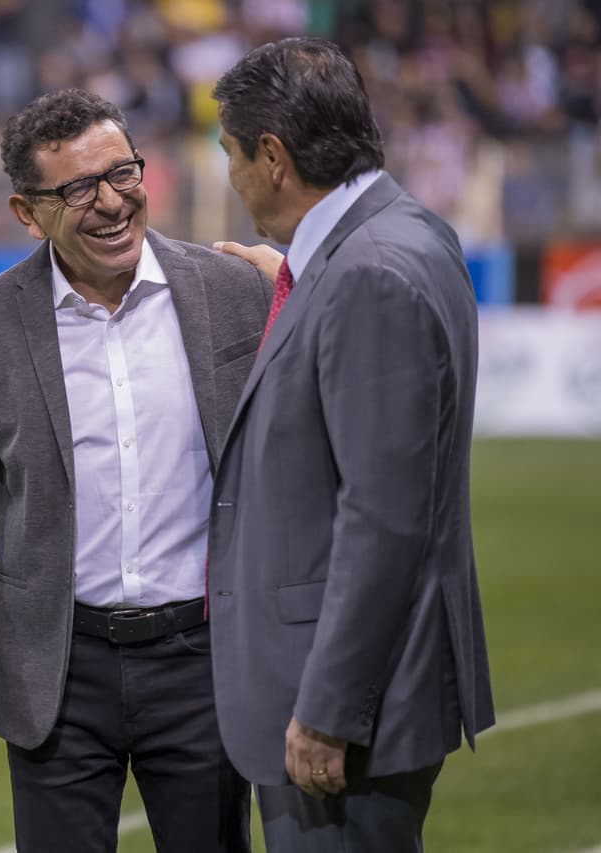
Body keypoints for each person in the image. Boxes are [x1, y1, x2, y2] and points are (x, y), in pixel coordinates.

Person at [0, 88, 270, 852]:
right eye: (79, 188)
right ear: (26, 210)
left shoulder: (233, 290)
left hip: (203, 666)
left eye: (122, 173)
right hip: (58, 674)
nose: (112, 202)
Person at [207, 37, 495, 852]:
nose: (228, 178)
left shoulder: (366, 274)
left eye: (231, 154)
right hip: (372, 687)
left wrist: (329, 709)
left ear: (272, 157)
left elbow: (383, 513)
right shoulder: (399, 233)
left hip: (345, 710)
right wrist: (298, 285)